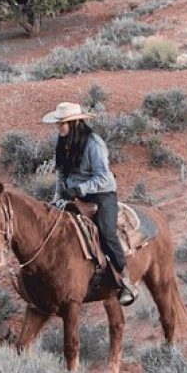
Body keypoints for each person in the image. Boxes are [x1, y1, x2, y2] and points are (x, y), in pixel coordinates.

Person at [43, 102, 138, 306]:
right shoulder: (61, 142)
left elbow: (103, 178)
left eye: (63, 123)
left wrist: (80, 189)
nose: (59, 127)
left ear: (75, 123)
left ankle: (125, 278)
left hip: (100, 194)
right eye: (58, 123)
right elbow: (60, 173)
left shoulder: (94, 144)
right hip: (72, 194)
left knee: (106, 230)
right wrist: (58, 198)